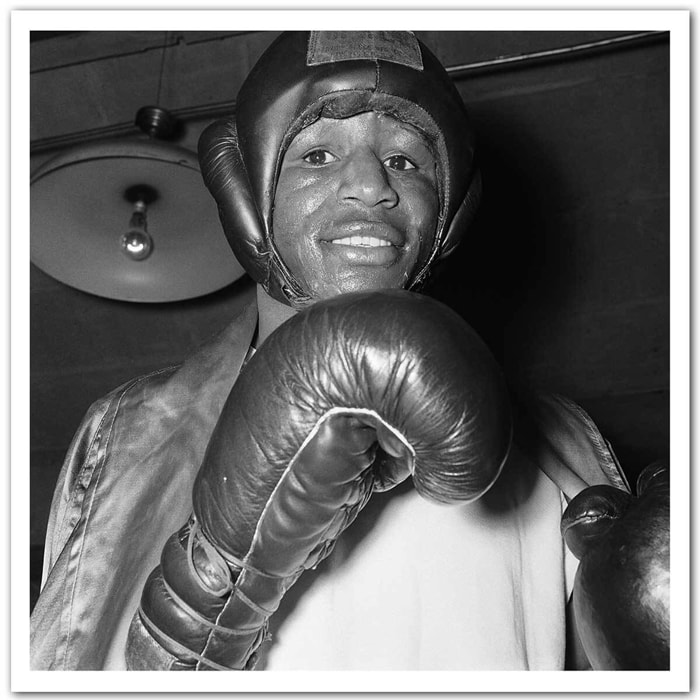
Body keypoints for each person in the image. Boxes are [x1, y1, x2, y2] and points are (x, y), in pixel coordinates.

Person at [30, 30, 630, 671]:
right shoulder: (129, 429)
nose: (371, 186)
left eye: (405, 161)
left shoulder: (558, 443)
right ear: (245, 193)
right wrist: (197, 610)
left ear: (453, 211)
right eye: (317, 155)